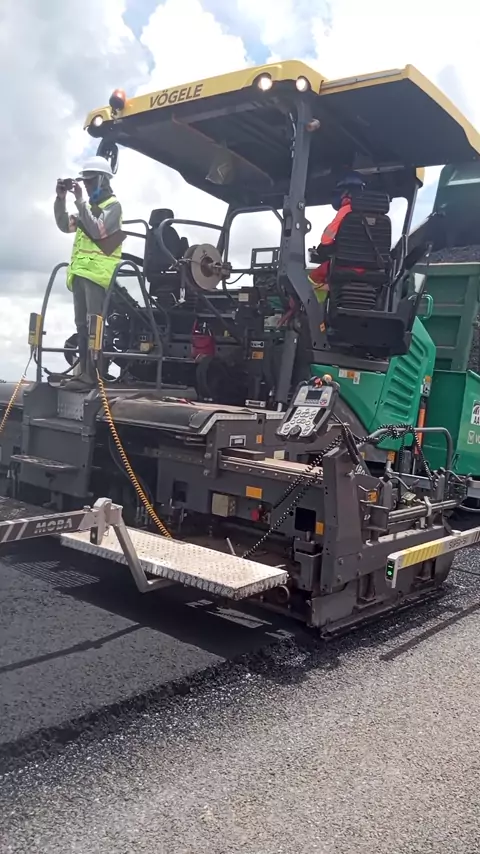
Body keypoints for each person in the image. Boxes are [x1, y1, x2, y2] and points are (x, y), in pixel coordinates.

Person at [54, 156, 124, 390]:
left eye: (91, 181)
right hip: (80, 273)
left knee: (94, 325)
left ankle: (93, 375)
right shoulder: (86, 209)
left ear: (103, 180)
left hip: (97, 274)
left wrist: (80, 201)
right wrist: (61, 199)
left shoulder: (113, 206)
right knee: (82, 326)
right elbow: (64, 224)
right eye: (85, 181)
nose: (86, 185)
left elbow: (97, 230)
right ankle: (84, 373)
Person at [308, 172, 366, 302]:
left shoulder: (347, 210)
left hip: (346, 266)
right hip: (373, 269)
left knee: (312, 278)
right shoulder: (380, 216)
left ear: (347, 192)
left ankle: (317, 311)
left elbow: (326, 240)